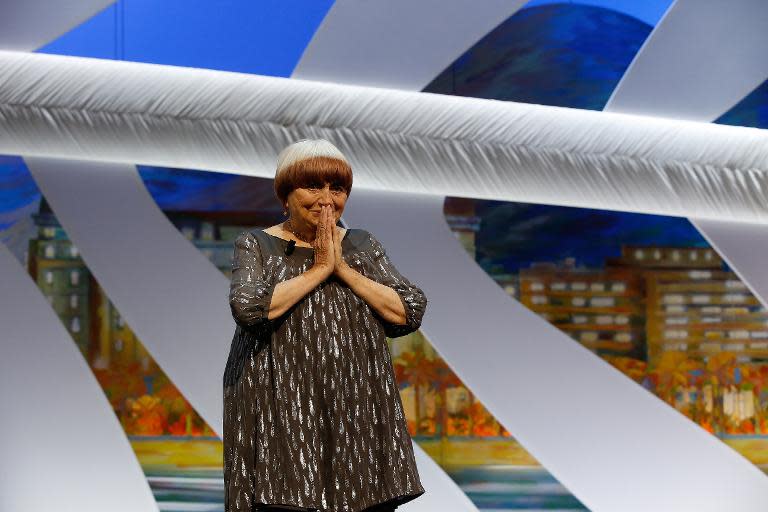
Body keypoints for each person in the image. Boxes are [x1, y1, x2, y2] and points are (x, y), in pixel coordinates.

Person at [223, 138, 428, 512]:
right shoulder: (255, 244)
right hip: (283, 411)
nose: (326, 198)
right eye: (313, 186)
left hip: (355, 409)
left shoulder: (361, 245)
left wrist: (343, 270)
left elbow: (408, 309)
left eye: (337, 188)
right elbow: (250, 308)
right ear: (285, 194)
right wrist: (319, 268)